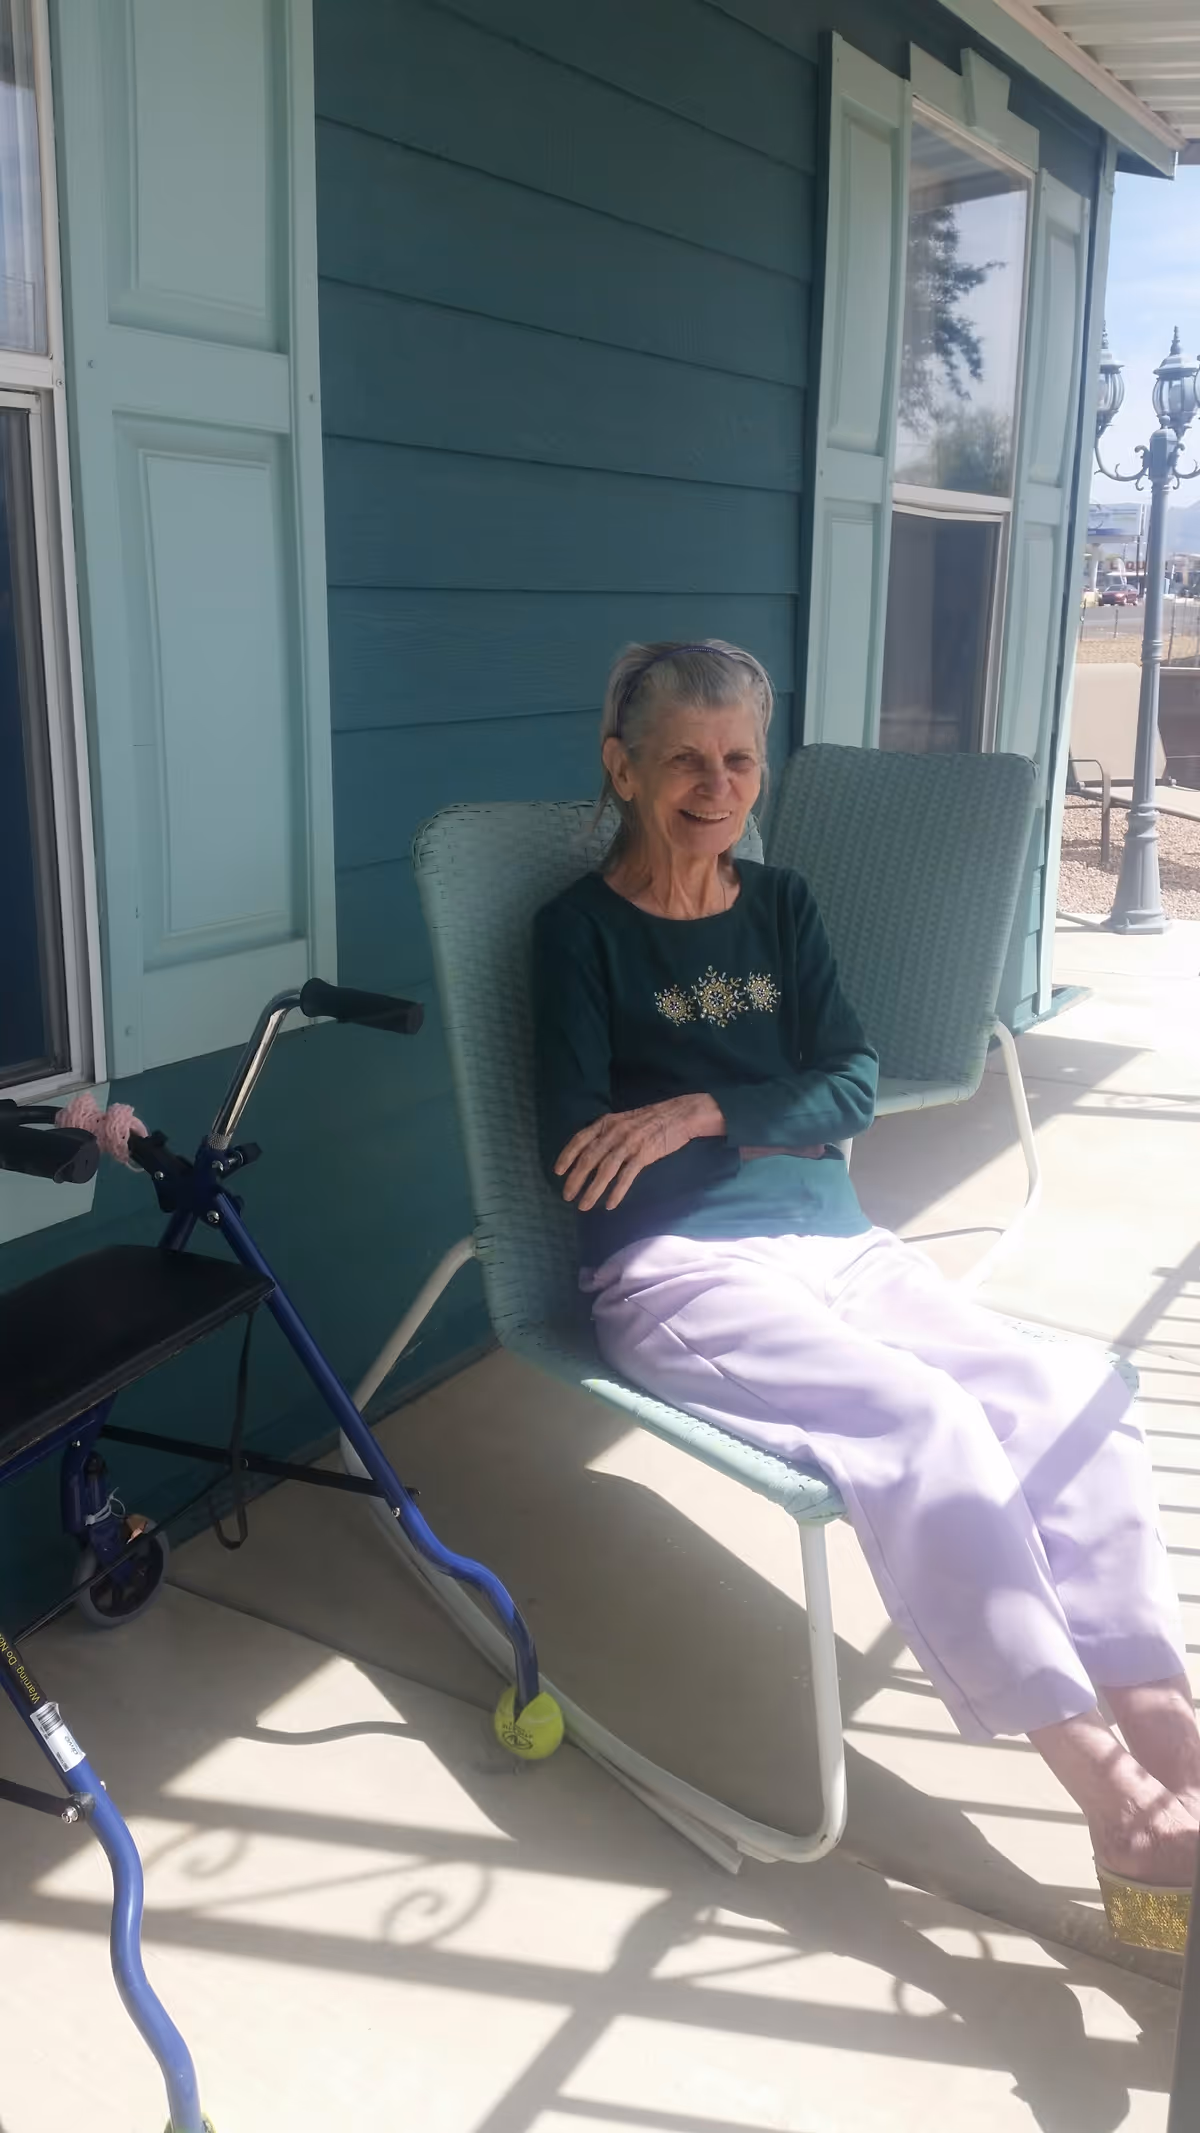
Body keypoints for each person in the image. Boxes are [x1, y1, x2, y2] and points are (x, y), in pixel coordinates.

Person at [532, 637, 1198, 1953]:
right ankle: (1113, 1799)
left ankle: (1172, 1736)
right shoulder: (580, 935)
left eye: (739, 759)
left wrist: (697, 1108)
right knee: (929, 1430)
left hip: (843, 1246)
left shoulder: (780, 907)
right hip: (679, 1273)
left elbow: (852, 1084)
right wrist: (747, 1132)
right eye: (684, 761)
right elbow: (582, 1158)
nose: (717, 786)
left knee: (1072, 1395)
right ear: (621, 768)